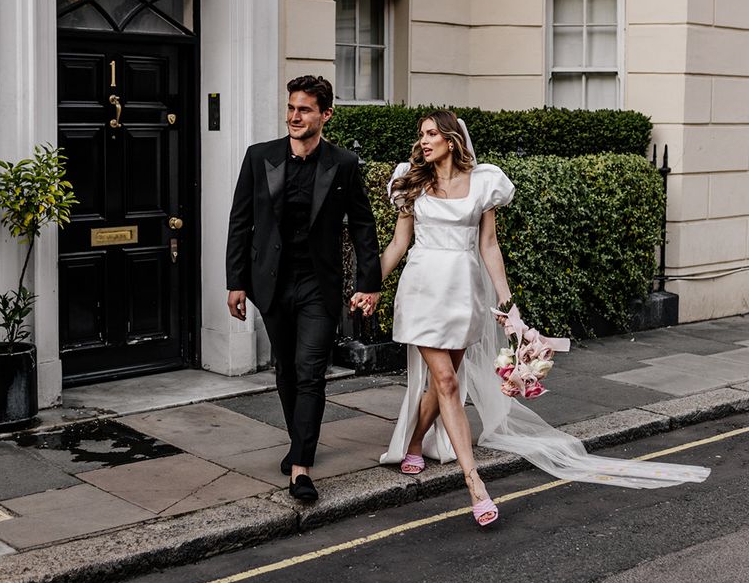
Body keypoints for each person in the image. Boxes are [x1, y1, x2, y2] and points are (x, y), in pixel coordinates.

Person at [378, 110, 710, 526]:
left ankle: (413, 444)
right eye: (421, 135)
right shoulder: (409, 179)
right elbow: (398, 243)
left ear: (451, 139)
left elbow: (490, 246)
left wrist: (507, 303)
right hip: (422, 290)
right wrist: (368, 285)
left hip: (464, 294)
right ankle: (475, 485)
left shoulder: (484, 182)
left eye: (431, 134)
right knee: (446, 382)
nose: (423, 141)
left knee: (443, 382)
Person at [226, 75, 381, 502]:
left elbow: (363, 225)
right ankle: (300, 441)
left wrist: (370, 284)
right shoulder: (260, 157)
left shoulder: (343, 164)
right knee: (286, 369)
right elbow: (241, 221)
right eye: (292, 108)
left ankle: (300, 467)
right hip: (270, 283)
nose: (295, 116)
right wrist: (236, 282)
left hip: (318, 284)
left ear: (325, 115)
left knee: (311, 370)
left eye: (305, 109)